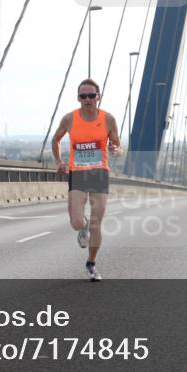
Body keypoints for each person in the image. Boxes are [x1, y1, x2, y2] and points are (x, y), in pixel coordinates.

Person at [51, 79, 122, 281]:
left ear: (98, 97)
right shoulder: (69, 119)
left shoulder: (108, 119)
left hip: (99, 173)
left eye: (92, 96)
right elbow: (55, 139)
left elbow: (118, 146)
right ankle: (82, 228)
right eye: (84, 96)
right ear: (78, 98)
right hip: (78, 173)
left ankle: (91, 263)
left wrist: (116, 150)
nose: (88, 100)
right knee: (76, 222)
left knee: (96, 223)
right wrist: (59, 161)